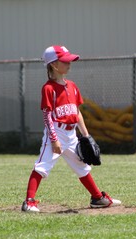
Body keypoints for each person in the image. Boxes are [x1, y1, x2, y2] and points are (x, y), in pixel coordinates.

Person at [21, 45, 121, 212]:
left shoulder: (72, 86)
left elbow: (77, 112)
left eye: (69, 61)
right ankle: (29, 202)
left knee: (82, 165)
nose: (69, 64)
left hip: (71, 134)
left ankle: (97, 198)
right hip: (56, 132)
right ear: (53, 65)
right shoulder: (49, 88)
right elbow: (47, 116)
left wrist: (86, 135)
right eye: (65, 61)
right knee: (42, 166)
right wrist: (53, 140)